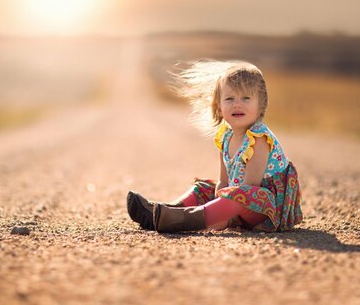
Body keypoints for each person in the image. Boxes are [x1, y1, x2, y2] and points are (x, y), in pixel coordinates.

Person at [126, 60, 303, 233]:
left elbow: (251, 187)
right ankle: (165, 211)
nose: (237, 104)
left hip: (266, 209)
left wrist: (223, 215)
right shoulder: (225, 137)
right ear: (219, 105)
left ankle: (182, 220)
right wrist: (217, 198)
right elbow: (223, 182)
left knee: (237, 196)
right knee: (203, 188)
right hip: (239, 198)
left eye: (246, 98)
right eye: (229, 98)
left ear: (261, 104)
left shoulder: (259, 139)